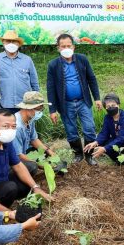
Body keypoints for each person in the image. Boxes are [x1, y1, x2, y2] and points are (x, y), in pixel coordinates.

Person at [0, 109, 50, 212]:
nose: (10, 130)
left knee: (28, 175)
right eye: (6, 126)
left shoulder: (4, 140)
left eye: (13, 126)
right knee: (10, 188)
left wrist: (35, 187)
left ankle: (5, 202)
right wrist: (8, 213)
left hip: (0, 179)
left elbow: (18, 165)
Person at [46, 33, 102, 165]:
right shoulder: (53, 65)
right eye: (63, 46)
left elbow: (91, 79)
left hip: (83, 101)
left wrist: (97, 98)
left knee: (89, 128)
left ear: (74, 47)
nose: (66, 48)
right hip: (65, 104)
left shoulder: (82, 59)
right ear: (58, 48)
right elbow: (50, 87)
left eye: (68, 45)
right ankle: (78, 154)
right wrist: (52, 109)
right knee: (71, 130)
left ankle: (89, 156)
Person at [83, 92, 124, 167]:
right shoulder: (107, 117)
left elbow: (121, 138)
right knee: (105, 143)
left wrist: (104, 149)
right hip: (121, 144)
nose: (111, 108)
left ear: (118, 105)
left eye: (113, 105)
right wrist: (95, 142)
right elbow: (104, 133)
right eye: (108, 106)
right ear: (105, 108)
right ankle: (120, 160)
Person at [0, 29, 39, 112]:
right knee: (7, 125)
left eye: (14, 41)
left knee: (25, 125)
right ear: (3, 43)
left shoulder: (27, 60)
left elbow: (34, 82)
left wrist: (36, 101)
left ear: (19, 44)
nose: (11, 44)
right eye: (8, 41)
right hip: (5, 104)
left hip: (25, 104)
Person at [13, 91, 58, 177]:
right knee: (32, 167)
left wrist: (49, 152)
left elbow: (34, 139)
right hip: (13, 159)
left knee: (44, 153)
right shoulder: (17, 127)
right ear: (28, 108)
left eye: (42, 109)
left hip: (23, 151)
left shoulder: (30, 119)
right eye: (38, 109)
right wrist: (43, 166)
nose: (40, 112)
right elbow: (18, 155)